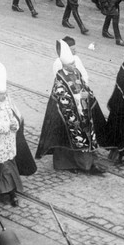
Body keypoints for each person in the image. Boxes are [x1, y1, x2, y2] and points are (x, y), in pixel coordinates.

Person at [35, 40, 107, 175]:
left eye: (74, 63)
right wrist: (79, 98)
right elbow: (63, 98)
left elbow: (84, 87)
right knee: (69, 141)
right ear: (64, 65)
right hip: (67, 114)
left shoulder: (77, 73)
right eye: (71, 64)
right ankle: (73, 164)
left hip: (82, 109)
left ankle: (87, 164)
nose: (74, 66)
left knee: (84, 138)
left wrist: (87, 95)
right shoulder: (60, 78)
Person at [0, 62, 30, 207]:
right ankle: (6, 191)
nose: (4, 96)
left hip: (10, 139)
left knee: (9, 162)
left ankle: (9, 189)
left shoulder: (8, 99)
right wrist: (6, 126)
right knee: (1, 166)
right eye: (1, 94)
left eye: (5, 93)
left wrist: (15, 123)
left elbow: (15, 114)